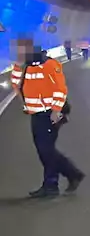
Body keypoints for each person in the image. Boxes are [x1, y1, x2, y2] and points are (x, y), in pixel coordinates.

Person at [11, 37, 84, 198]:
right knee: (44, 150)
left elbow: (60, 89)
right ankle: (70, 175)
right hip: (35, 114)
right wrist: (18, 64)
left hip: (50, 114)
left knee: (46, 149)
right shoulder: (27, 67)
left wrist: (56, 110)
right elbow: (15, 83)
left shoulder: (51, 65)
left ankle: (53, 184)